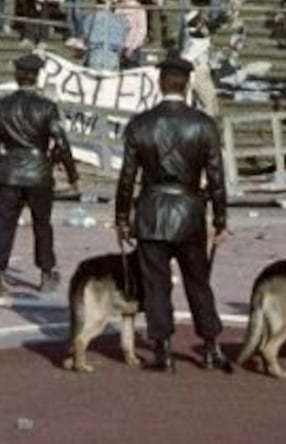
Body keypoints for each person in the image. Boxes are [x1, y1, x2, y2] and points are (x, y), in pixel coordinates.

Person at [115, 55, 230, 373]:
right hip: (190, 211)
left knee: (156, 285)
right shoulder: (203, 124)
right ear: (188, 83)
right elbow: (217, 178)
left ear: (159, 82)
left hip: (151, 210)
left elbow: (126, 178)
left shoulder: (140, 123)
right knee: (198, 282)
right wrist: (221, 220)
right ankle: (210, 345)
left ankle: (162, 348)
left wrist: (121, 218)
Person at [0, 54, 80, 296]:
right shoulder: (46, 107)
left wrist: (0, 165)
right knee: (42, 225)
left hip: (10, 171)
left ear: (16, 76)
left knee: (4, 225)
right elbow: (61, 142)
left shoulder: (1, 106)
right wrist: (72, 174)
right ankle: (46, 273)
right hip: (38, 171)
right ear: (37, 76)